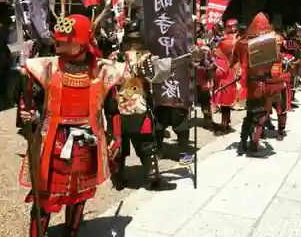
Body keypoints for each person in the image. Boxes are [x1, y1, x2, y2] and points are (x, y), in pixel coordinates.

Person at [18, 13, 124, 237]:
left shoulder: (102, 71)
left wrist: (117, 137)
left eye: (68, 41)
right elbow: (30, 99)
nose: (60, 45)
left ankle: (72, 233)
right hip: (53, 140)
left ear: (84, 43)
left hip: (88, 142)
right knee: (45, 196)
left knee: (80, 195)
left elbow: (112, 107)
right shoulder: (47, 67)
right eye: (60, 40)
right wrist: (28, 113)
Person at [109, 19, 188, 190]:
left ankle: (118, 178)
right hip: (139, 108)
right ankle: (153, 177)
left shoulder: (114, 57)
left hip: (116, 109)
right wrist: (186, 59)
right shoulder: (145, 58)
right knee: (147, 144)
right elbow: (163, 69)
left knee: (118, 144)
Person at [232, 13, 287, 156]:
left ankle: (243, 143)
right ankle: (254, 143)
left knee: (250, 113)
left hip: (249, 82)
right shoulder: (269, 42)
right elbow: (278, 59)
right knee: (262, 114)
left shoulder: (241, 42)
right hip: (263, 82)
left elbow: (233, 60)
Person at [212, 37, 237, 135]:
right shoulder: (231, 60)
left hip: (224, 87)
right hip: (230, 85)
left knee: (224, 108)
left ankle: (224, 125)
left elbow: (218, 75)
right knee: (226, 108)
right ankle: (227, 123)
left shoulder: (222, 62)